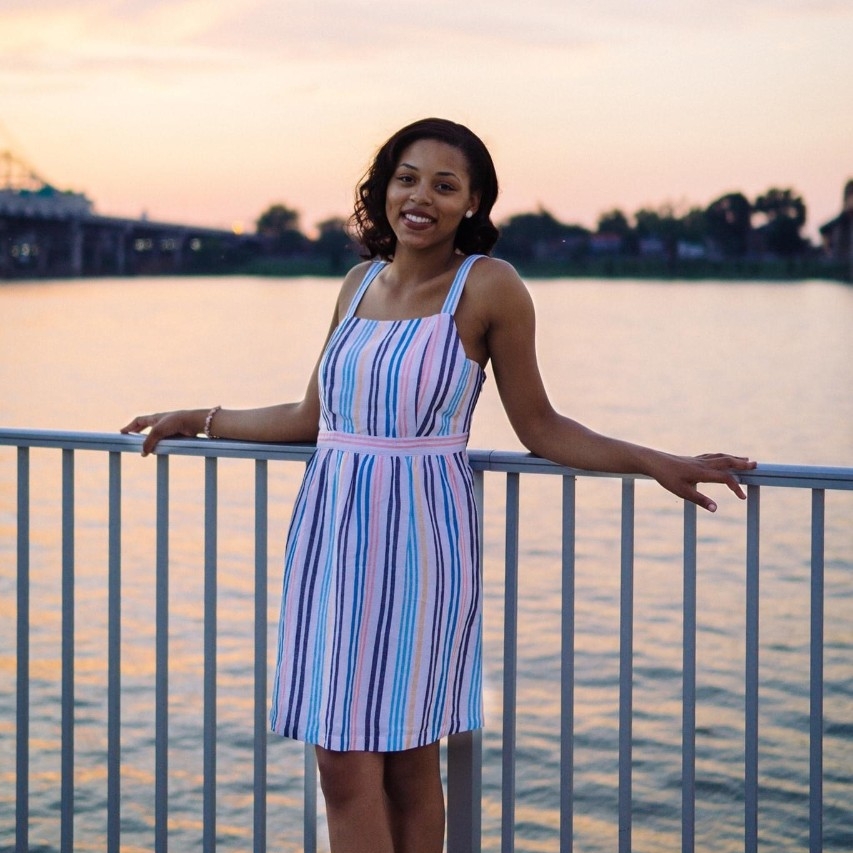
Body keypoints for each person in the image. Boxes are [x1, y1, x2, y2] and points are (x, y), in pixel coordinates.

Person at [121, 117, 755, 853]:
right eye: (406, 177)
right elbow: (312, 416)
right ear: (383, 188)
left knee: (395, 761)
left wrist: (654, 460)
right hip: (331, 541)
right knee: (361, 761)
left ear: (472, 203)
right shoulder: (358, 283)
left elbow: (540, 426)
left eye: (444, 185)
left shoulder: (489, 286)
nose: (420, 196)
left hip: (421, 547)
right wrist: (198, 416)